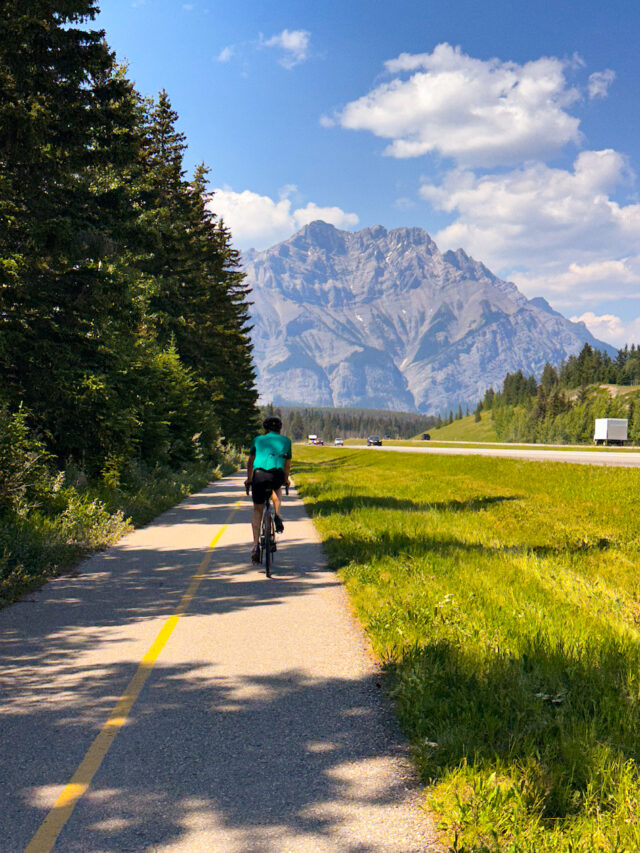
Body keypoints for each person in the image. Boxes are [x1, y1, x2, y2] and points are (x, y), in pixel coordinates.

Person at [245, 415, 292, 564]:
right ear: (280, 429)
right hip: (276, 474)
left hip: (259, 475)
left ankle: (255, 546)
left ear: (265, 429)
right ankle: (277, 514)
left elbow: (250, 462)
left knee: (257, 510)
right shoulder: (286, 441)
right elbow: (287, 464)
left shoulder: (258, 440)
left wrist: (249, 479)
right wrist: (286, 479)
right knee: (276, 489)